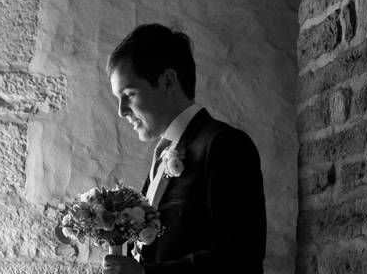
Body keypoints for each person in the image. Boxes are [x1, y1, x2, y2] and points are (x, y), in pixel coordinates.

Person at [103, 24, 266, 274]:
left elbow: (239, 259)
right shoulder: (163, 152)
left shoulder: (225, 146)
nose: (121, 111)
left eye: (129, 94)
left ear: (168, 81)